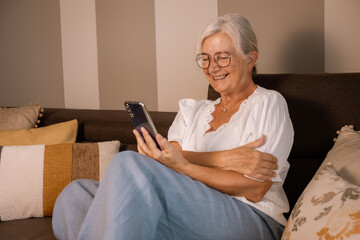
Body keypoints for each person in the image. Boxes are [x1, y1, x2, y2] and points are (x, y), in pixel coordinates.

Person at [52, 13, 294, 240]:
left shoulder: (268, 103)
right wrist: (225, 159)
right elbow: (166, 162)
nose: (212, 67)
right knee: (75, 194)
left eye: (223, 56)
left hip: (251, 216)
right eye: (206, 58)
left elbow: (255, 189)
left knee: (127, 162)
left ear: (250, 59)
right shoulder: (193, 111)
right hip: (186, 210)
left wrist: (185, 166)